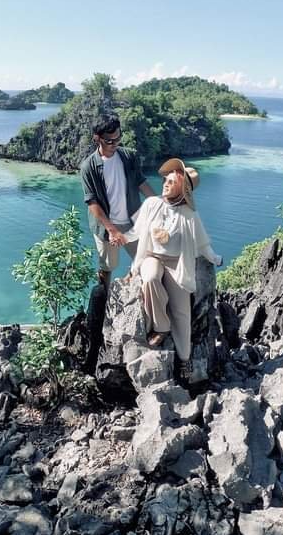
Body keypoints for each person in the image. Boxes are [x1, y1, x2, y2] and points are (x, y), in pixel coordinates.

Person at [126, 157, 221, 383]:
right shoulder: (152, 204)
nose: (166, 184)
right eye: (166, 180)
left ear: (183, 188)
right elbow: (140, 238)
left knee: (182, 313)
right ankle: (161, 326)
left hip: (176, 263)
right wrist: (133, 267)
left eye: (172, 182)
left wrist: (215, 258)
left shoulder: (189, 215)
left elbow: (202, 244)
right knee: (149, 278)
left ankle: (185, 358)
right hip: (153, 257)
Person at [80, 113, 156, 371]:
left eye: (118, 138)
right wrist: (111, 229)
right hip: (106, 229)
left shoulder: (128, 156)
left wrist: (156, 205)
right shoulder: (89, 166)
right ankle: (100, 324)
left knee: (147, 263)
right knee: (105, 274)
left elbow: (142, 182)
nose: (115, 144)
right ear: (97, 139)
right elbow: (92, 203)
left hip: (134, 222)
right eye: (110, 140)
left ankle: (149, 319)